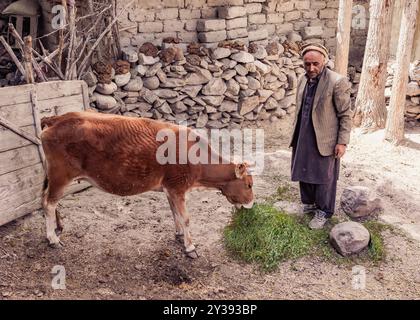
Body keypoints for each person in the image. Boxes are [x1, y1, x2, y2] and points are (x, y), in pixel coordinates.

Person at [289, 43, 353, 229]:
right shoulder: (302, 79)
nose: (311, 68)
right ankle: (309, 204)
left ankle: (324, 211)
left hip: (326, 138)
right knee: (303, 169)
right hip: (303, 134)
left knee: (325, 176)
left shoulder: (336, 82)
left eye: (315, 63)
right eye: (307, 64)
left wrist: (342, 142)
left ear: (324, 61)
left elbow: (345, 115)